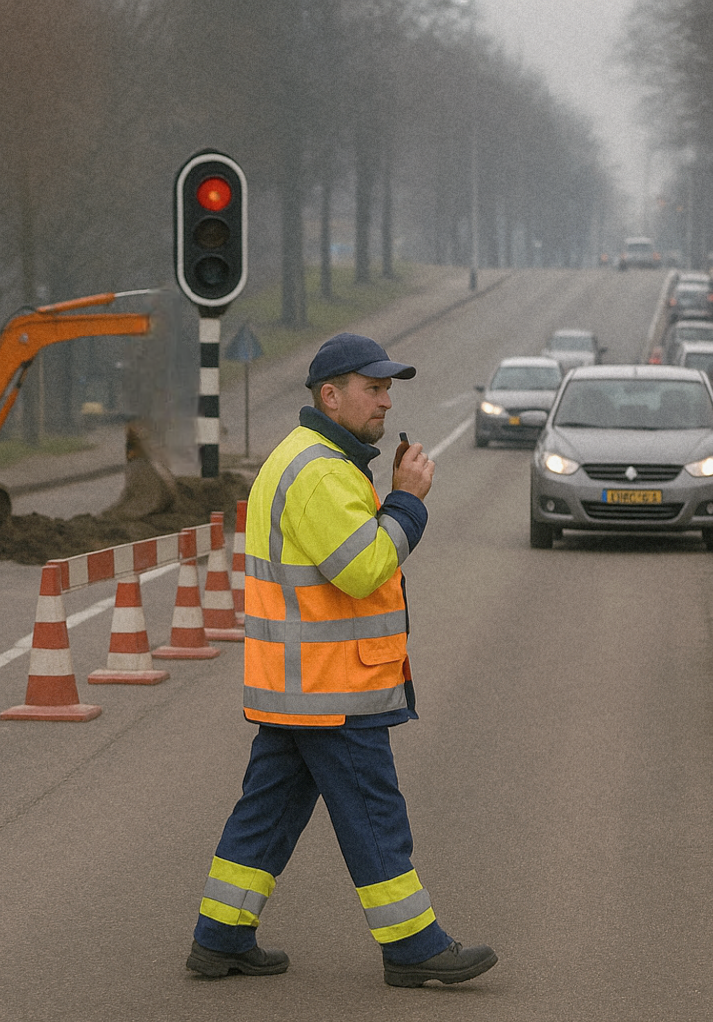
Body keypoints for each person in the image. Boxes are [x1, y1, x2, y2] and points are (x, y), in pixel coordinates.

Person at [186, 332, 498, 988]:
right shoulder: (322, 470)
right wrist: (408, 501)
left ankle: (220, 936)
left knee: (267, 811)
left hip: (295, 684)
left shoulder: (310, 458)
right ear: (331, 395)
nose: (386, 401)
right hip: (334, 689)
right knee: (374, 811)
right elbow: (363, 569)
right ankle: (414, 945)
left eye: (389, 389)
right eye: (374, 388)